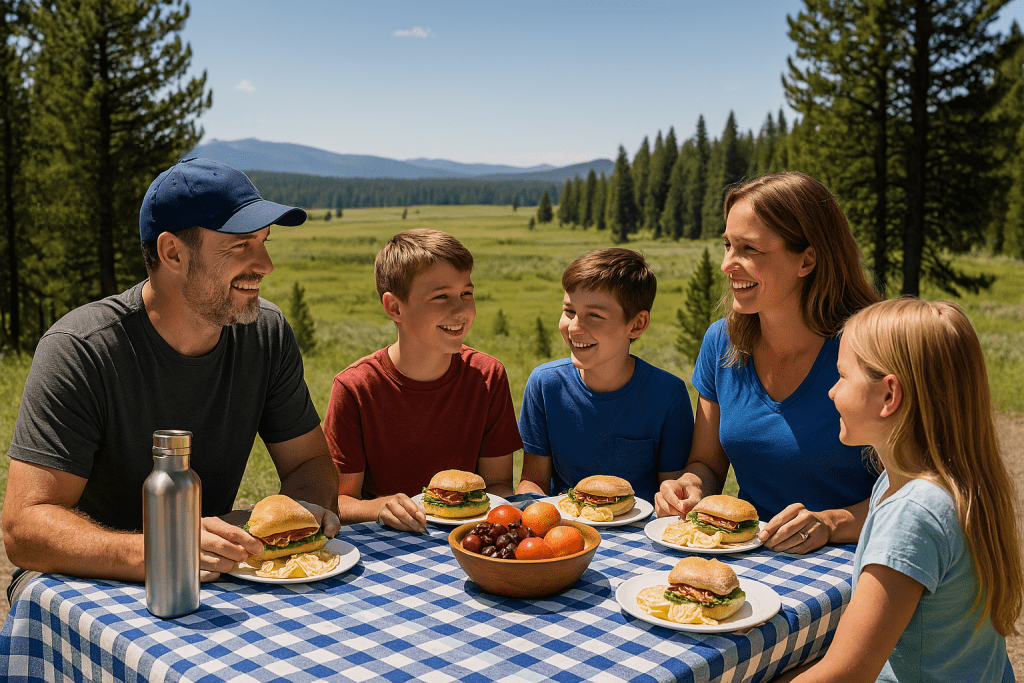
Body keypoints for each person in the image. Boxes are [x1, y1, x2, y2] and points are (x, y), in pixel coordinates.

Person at [3, 158, 341, 603]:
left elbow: (308, 464)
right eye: (241, 246)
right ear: (173, 253)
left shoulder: (266, 333)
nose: (266, 264)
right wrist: (165, 552)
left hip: (208, 578)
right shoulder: (80, 348)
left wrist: (303, 518)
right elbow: (24, 528)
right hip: (83, 585)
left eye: (264, 242)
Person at [775, 297, 1022, 682]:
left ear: (889, 396)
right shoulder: (935, 484)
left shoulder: (913, 513)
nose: (831, 393)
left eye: (841, 376)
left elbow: (846, 674)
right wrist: (830, 521)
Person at [655, 172, 881, 553]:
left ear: (807, 259)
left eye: (749, 249)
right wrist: (690, 486)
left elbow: (922, 490)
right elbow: (707, 465)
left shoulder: (872, 346)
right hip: (756, 559)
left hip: (855, 563)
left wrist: (831, 522)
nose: (728, 264)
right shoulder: (721, 343)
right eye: (727, 245)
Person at [323, 228, 521, 533]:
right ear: (395, 307)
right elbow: (339, 500)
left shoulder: (487, 376)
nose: (461, 310)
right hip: (388, 543)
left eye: (466, 293)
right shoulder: (356, 388)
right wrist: (378, 507)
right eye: (441, 296)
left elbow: (497, 484)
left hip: (468, 537)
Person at [515, 248, 692, 504]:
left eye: (594, 316)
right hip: (566, 529)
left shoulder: (668, 395)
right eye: (569, 311)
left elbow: (673, 492)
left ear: (637, 325)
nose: (574, 327)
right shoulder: (544, 385)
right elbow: (533, 480)